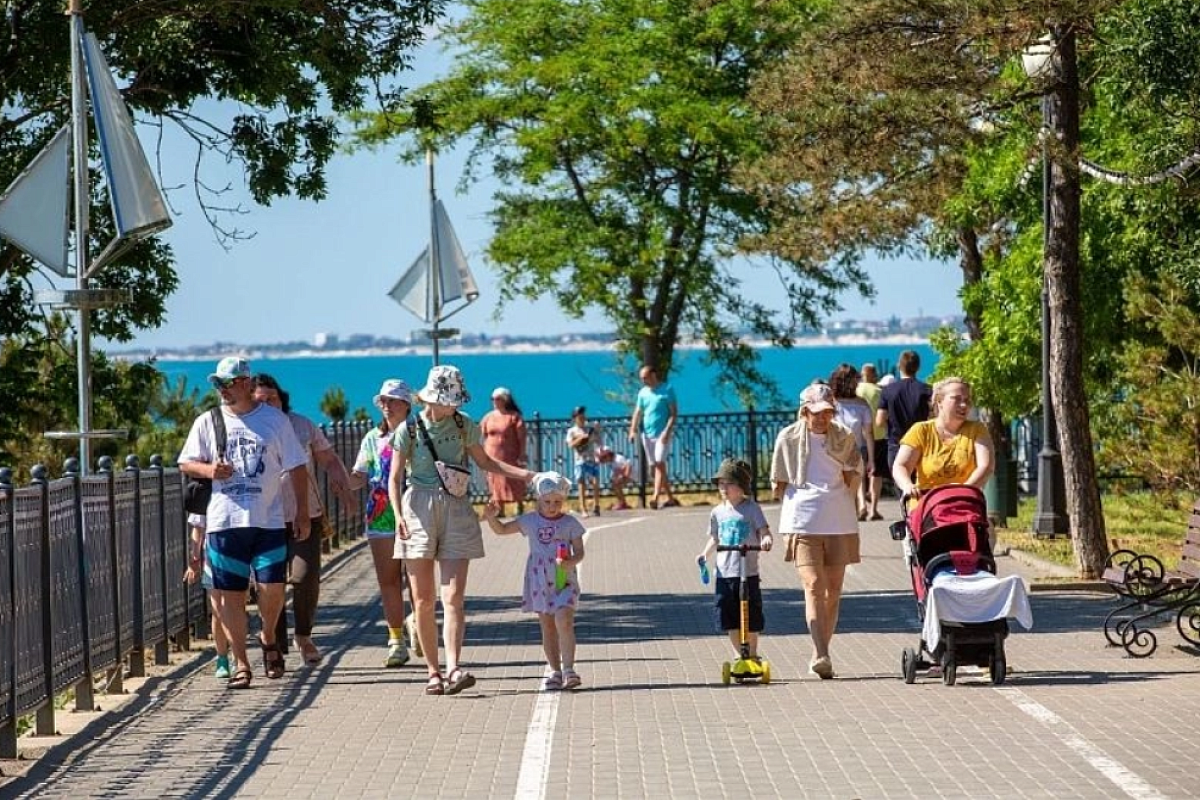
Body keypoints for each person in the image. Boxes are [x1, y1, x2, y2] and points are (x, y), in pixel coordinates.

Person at [389, 364, 534, 696]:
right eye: (449, 399)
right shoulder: (408, 429)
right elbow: (395, 477)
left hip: (455, 506)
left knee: (453, 597)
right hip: (417, 509)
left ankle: (454, 667)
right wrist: (398, 516)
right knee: (424, 601)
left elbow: (486, 462)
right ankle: (433, 672)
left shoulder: (464, 424)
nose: (454, 405)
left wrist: (526, 476)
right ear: (434, 398)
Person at [178, 356, 310, 689]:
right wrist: (210, 471)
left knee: (272, 589)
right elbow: (186, 462)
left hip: (268, 520)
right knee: (228, 597)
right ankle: (241, 662)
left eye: (227, 383)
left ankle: (267, 637)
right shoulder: (208, 421)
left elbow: (296, 466)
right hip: (224, 521)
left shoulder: (274, 421)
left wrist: (303, 511)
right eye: (218, 384)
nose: (221, 390)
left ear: (246, 383)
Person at [254, 373, 357, 666]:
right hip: (264, 519)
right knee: (268, 584)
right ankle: (274, 646)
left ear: (281, 398)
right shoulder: (248, 428)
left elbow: (329, 460)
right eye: (259, 400)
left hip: (304, 513)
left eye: (271, 398)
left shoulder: (301, 425)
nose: (266, 405)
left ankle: (303, 634)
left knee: (304, 576)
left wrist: (345, 489)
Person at [771, 382, 861, 680]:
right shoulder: (788, 438)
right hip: (803, 520)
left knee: (833, 592)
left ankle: (820, 652)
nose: (822, 418)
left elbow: (852, 476)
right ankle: (822, 653)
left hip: (839, 520)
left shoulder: (844, 437)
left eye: (827, 412)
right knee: (813, 585)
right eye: (816, 412)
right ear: (804, 411)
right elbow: (778, 483)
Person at [482, 471, 587, 691]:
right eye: (547, 501)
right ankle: (554, 670)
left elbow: (579, 552)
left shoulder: (569, 523)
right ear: (538, 499)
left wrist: (570, 562)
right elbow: (502, 530)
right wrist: (492, 517)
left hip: (562, 579)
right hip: (539, 580)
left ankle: (569, 669)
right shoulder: (530, 520)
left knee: (564, 620)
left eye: (557, 502)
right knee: (547, 626)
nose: (552, 506)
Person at [349, 379, 419, 667]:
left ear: (406, 404)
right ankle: (395, 640)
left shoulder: (418, 434)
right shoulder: (371, 439)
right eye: (383, 401)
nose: (386, 406)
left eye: (392, 400)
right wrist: (341, 479)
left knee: (417, 579)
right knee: (388, 580)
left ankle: (419, 626)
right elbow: (360, 474)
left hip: (415, 510)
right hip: (381, 513)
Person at [697, 459, 773, 661]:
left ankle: (753, 653)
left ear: (741, 486)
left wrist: (766, 539)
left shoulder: (751, 509)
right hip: (725, 572)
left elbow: (763, 531)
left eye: (728, 483)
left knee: (751, 614)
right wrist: (705, 555)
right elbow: (715, 538)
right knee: (727, 613)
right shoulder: (717, 512)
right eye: (721, 483)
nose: (723, 488)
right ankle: (740, 654)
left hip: (748, 572)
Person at [891, 377, 994, 498]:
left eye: (967, 400)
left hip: (964, 503)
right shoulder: (921, 430)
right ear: (939, 401)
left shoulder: (977, 430)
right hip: (927, 506)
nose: (963, 404)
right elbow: (901, 465)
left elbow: (986, 466)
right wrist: (907, 485)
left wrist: (963, 492)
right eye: (956, 399)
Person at [182, 513, 231, 680]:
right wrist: (194, 559)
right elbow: (197, 528)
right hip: (213, 553)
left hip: (240, 550)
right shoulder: (206, 491)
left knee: (235, 606)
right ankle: (222, 658)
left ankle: (239, 657)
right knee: (217, 608)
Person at [628, 364, 679, 509]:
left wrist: (667, 431)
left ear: (653, 375)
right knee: (654, 467)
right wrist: (632, 430)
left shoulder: (667, 389)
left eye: (645, 378)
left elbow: (674, 414)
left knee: (659, 463)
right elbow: (638, 412)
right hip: (647, 433)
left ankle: (655, 497)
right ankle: (670, 498)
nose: (643, 381)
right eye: (641, 378)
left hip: (662, 434)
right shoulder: (643, 393)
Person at [876, 350, 932, 477]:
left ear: (899, 366)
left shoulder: (888, 391)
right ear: (918, 367)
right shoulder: (926, 390)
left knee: (902, 487)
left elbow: (879, 421)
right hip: (922, 445)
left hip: (896, 444)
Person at [830, 364, 874, 521]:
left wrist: (871, 461)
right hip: (842, 451)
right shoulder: (858, 404)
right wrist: (871, 460)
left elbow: (869, 433)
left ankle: (855, 511)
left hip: (845, 450)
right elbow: (868, 433)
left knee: (850, 482)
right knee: (850, 483)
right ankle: (854, 510)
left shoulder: (832, 403)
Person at [480, 387, 528, 516]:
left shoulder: (514, 416)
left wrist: (522, 453)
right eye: (493, 399)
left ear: (505, 400)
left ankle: (519, 504)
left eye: (498, 399)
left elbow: (521, 436)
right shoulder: (488, 417)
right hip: (492, 454)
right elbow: (484, 434)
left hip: (509, 454)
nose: (495, 401)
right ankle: (499, 509)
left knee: (513, 477)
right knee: (495, 480)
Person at [857, 363, 887, 521]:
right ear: (874, 375)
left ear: (863, 374)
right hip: (878, 436)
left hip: (859, 436)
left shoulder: (856, 391)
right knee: (877, 473)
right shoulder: (879, 391)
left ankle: (862, 504)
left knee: (860, 472)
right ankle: (873, 509)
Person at [566, 406, 602, 517]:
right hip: (580, 460)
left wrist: (597, 431)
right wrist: (581, 439)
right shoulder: (572, 431)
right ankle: (583, 508)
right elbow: (570, 445)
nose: (582, 418)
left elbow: (599, 441)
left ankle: (596, 505)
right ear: (575, 418)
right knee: (581, 484)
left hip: (591, 459)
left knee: (595, 482)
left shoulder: (589, 429)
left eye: (583, 415)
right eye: (579, 416)